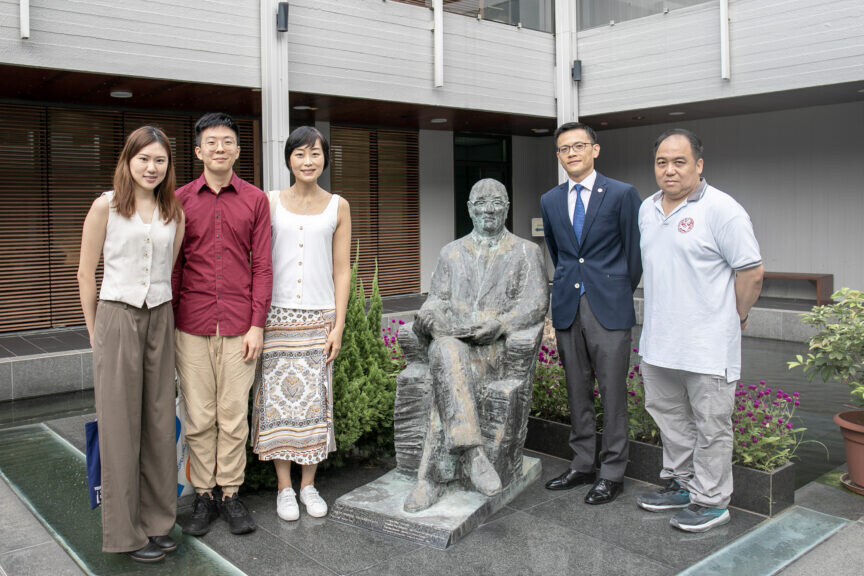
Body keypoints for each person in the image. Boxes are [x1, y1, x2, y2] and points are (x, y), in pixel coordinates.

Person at [636, 128, 763, 532]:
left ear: (698, 165)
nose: (669, 170)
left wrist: (737, 317)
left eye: (679, 162)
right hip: (659, 343)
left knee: (711, 425)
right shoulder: (647, 209)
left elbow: (751, 272)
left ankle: (712, 501)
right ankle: (683, 484)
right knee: (670, 418)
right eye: (662, 162)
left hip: (707, 345)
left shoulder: (722, 210)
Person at [403, 178, 549, 512]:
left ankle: (430, 479)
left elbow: (537, 304)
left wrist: (500, 325)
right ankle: (472, 453)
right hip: (454, 343)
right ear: (469, 209)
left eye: (495, 201)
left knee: (444, 364)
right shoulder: (450, 252)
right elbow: (435, 299)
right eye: (480, 202)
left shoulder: (526, 252)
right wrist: (429, 317)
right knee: (445, 350)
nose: (488, 208)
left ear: (507, 208)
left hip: (493, 350)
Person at [77, 126, 185, 563]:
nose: (151, 167)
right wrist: (95, 331)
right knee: (120, 427)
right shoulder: (105, 206)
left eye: (159, 160)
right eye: (144, 159)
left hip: (160, 315)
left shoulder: (173, 211)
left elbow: (167, 267)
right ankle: (125, 534)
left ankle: (159, 522)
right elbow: (86, 275)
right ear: (128, 160)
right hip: (116, 317)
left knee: (160, 423)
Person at [172, 113, 272, 536]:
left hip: (239, 327)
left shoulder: (255, 200)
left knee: (232, 416)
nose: (219, 148)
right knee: (198, 416)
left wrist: (257, 324)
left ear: (237, 149)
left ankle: (230, 495)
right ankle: (203, 495)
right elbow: (173, 265)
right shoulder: (178, 200)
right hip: (189, 324)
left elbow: (263, 266)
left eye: (227, 141)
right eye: (211, 142)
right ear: (198, 151)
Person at [251, 126, 351, 521]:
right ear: (289, 159)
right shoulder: (269, 201)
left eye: (315, 154)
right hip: (275, 316)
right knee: (277, 405)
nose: (308, 161)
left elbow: (342, 270)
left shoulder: (337, 205)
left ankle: (308, 485)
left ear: (325, 158)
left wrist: (339, 324)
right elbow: (258, 261)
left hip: (319, 317)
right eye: (300, 154)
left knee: (313, 405)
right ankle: (284, 489)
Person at [539, 122, 642, 505]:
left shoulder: (621, 193)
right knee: (576, 390)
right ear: (558, 156)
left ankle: (613, 472)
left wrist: (615, 289)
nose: (572, 153)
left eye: (579, 146)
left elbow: (634, 254)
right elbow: (559, 252)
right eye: (564, 148)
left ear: (595, 150)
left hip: (609, 307)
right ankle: (582, 464)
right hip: (568, 306)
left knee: (613, 393)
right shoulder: (550, 200)